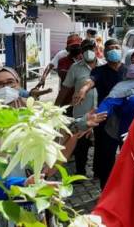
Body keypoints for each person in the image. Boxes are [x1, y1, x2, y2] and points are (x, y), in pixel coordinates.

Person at [55, 39, 99, 176]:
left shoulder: (104, 65)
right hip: (81, 112)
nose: (89, 51)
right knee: (81, 145)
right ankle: (80, 172)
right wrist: (56, 106)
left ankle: (98, 171)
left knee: (101, 143)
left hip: (101, 112)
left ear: (96, 49)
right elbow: (65, 88)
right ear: (81, 51)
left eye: (91, 48)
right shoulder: (75, 68)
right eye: (85, 48)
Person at [87, 38, 125, 188]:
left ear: (121, 50)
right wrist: (83, 89)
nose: (113, 51)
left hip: (125, 119)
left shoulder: (128, 70)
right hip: (105, 119)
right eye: (110, 49)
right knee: (106, 157)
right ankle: (106, 189)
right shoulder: (99, 71)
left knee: (128, 155)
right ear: (105, 53)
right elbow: (91, 81)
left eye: (116, 47)